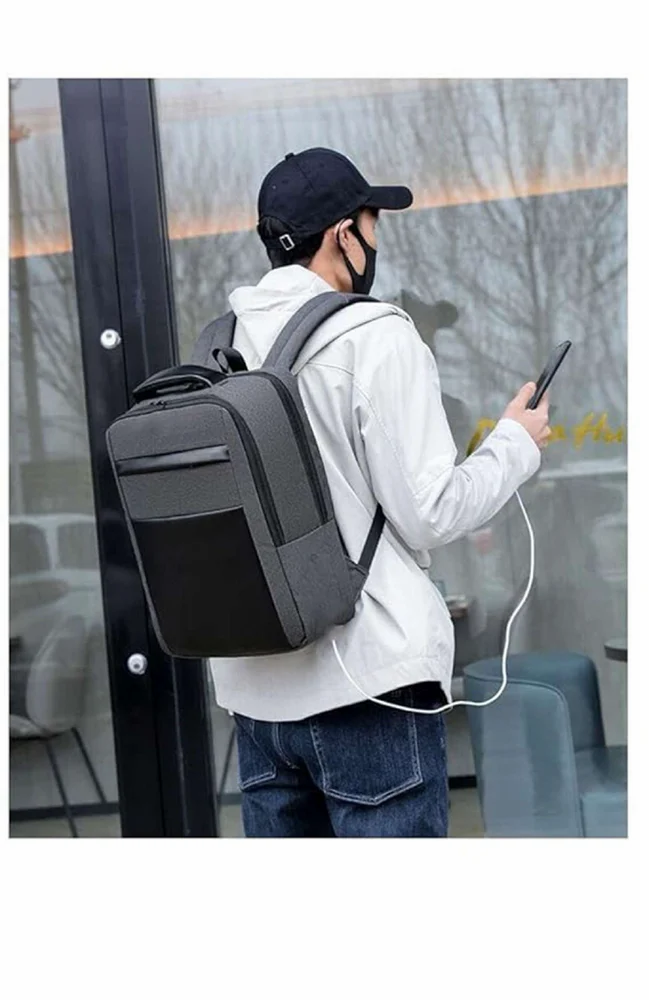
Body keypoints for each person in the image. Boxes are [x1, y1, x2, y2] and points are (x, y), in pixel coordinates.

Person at [209, 147, 551, 837]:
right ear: (344, 234)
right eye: (373, 224)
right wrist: (515, 442)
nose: (376, 240)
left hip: (256, 696)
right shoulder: (373, 334)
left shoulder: (221, 347)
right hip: (369, 686)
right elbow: (431, 512)